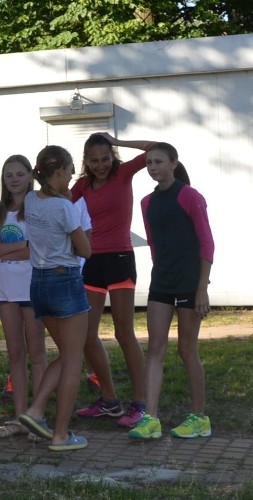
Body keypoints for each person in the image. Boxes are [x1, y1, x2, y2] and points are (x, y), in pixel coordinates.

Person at [129, 142, 214, 441]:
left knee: (187, 348)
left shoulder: (190, 196)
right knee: (156, 348)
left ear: (173, 164)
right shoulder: (146, 203)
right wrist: (161, 273)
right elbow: (154, 245)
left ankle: (199, 417)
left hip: (191, 282)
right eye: (149, 162)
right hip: (162, 283)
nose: (153, 167)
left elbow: (207, 244)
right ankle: (150, 418)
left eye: (159, 162)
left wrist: (201, 287)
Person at [71, 132, 155, 428]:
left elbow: (153, 148)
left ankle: (141, 404)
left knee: (124, 333)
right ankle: (109, 400)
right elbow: (59, 205)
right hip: (93, 261)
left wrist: (117, 141)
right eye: (93, 161)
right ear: (86, 162)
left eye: (105, 158)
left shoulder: (123, 174)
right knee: (86, 334)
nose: (100, 165)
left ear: (112, 157)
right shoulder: (82, 184)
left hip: (120, 259)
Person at [17, 145, 92, 451]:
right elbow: (86, 250)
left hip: (39, 282)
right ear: (60, 171)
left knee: (65, 353)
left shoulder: (31, 199)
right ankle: (61, 435)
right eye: (71, 170)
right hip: (66, 280)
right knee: (74, 358)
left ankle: (35, 411)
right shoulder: (64, 207)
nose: (73, 176)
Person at [0, 155, 48, 424]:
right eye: (9, 174)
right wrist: (20, 245)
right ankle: (21, 415)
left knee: (37, 353)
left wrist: (8, 249)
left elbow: (38, 250)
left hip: (33, 287)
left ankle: (39, 413)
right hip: (6, 290)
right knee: (15, 354)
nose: (14, 179)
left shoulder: (38, 207)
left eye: (20, 174)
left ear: (30, 176)